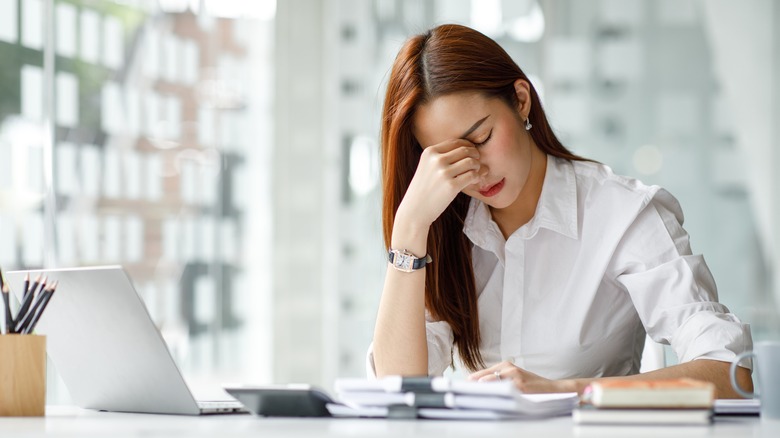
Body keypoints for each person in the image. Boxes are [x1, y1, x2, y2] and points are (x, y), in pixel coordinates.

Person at [368, 23, 753, 398]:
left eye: (481, 138)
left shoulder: (621, 213)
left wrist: (564, 391)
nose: (476, 171)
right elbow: (396, 389)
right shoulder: (443, 229)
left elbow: (729, 373)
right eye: (449, 161)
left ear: (521, 100)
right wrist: (409, 227)